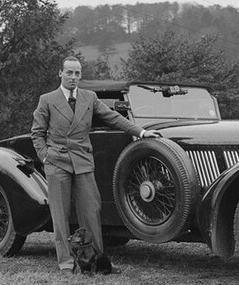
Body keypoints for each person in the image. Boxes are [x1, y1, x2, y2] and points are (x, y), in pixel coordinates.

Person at [31, 56, 161, 272]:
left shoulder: (89, 98)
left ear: (81, 75)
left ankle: (97, 259)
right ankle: (66, 262)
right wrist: (45, 156)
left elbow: (113, 117)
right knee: (60, 215)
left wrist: (141, 132)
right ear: (60, 73)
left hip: (82, 161)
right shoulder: (47, 100)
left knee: (91, 210)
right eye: (69, 72)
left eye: (77, 73)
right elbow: (37, 133)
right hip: (57, 162)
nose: (73, 77)